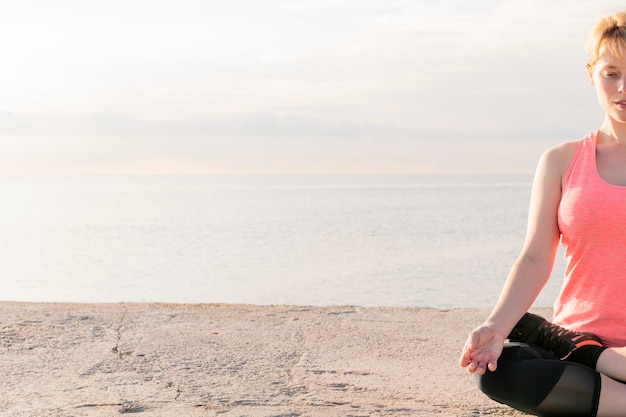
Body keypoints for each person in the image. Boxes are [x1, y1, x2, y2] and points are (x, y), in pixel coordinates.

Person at [459, 10, 626, 417]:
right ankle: (583, 351)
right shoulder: (561, 161)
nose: (624, 87)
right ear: (591, 74)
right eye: (611, 73)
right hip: (580, 334)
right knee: (500, 369)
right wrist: (496, 328)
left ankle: (589, 361)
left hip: (594, 360)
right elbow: (536, 255)